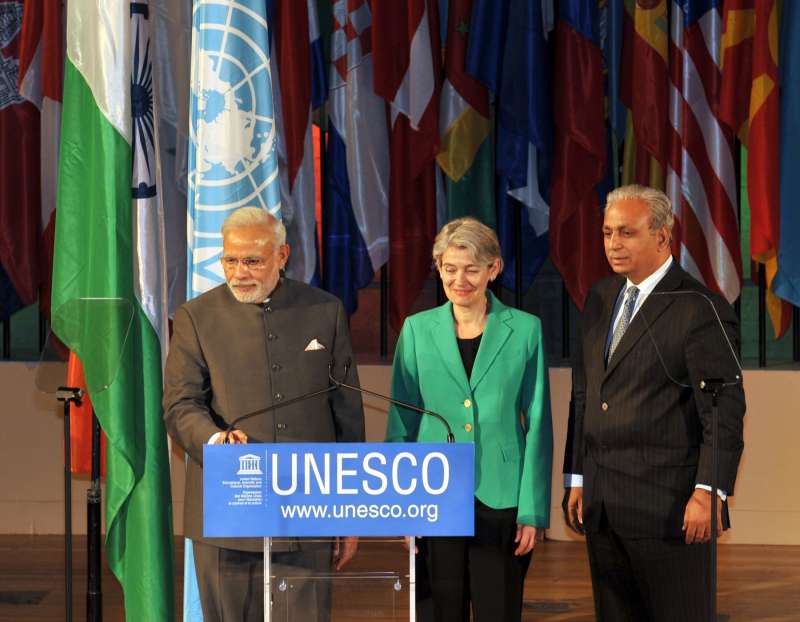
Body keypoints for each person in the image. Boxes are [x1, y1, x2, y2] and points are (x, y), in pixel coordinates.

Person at [163, 207, 364, 622]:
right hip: (226, 511)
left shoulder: (325, 311)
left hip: (308, 509)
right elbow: (181, 405)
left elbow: (346, 413)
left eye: (252, 260)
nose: (239, 272)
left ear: (282, 254)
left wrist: (349, 508)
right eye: (230, 260)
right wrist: (216, 440)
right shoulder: (195, 317)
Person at [563, 185, 746, 621]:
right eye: (607, 233)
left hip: (669, 511)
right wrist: (577, 474)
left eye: (626, 233)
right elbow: (585, 393)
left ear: (663, 237)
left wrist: (708, 491)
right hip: (604, 507)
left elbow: (723, 409)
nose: (613, 244)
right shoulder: (601, 298)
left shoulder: (700, 307)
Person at [386, 217, 553, 622]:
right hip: (433, 491)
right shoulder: (415, 330)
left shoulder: (525, 330)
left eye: (472, 269)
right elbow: (400, 422)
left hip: (501, 495)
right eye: (450, 268)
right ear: (439, 268)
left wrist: (532, 510)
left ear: (493, 269)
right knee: (439, 609)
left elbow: (538, 424)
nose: (460, 279)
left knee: (499, 609)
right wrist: (402, 505)